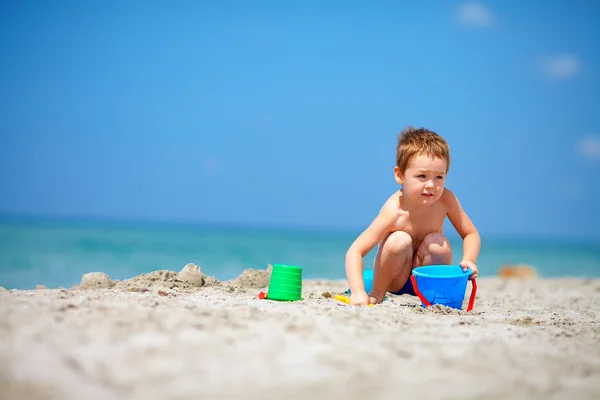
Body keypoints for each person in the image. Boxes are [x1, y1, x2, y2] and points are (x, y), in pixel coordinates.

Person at [345, 126, 481, 306]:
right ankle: (377, 293)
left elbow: (470, 233)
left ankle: (435, 299)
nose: (431, 185)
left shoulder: (446, 200)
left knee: (438, 243)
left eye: (439, 177)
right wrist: (357, 292)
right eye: (422, 176)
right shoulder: (394, 210)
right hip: (395, 278)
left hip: (426, 277)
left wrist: (469, 260)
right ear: (400, 175)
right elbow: (355, 250)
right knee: (398, 240)